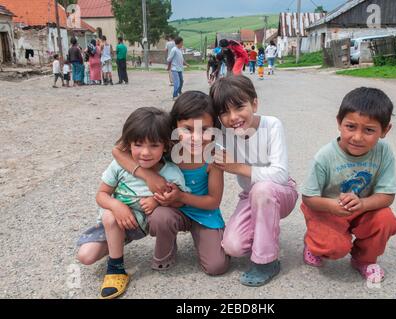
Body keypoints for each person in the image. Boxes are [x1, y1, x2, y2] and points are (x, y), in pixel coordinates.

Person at [76, 107, 191, 299]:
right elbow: (101, 195)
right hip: (114, 223)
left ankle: (116, 269)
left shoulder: (171, 173)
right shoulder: (119, 166)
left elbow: (179, 202)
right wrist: (116, 205)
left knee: (110, 216)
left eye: (154, 145)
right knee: (85, 256)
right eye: (138, 145)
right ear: (128, 144)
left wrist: (157, 200)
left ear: (165, 146)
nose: (145, 153)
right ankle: (117, 245)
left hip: (139, 224)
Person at [112, 91, 230, 277]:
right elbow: (118, 150)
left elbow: (213, 201)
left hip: (203, 214)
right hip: (172, 210)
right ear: (174, 125)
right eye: (188, 129)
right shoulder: (167, 145)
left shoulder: (214, 155)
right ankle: (167, 249)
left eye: (205, 129)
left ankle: (205, 236)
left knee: (217, 267)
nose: (196, 137)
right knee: (160, 218)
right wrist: (148, 177)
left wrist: (181, 196)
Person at [300, 87, 396, 283]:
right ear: (339, 123)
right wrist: (332, 206)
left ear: (385, 130)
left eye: (369, 130)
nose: (357, 137)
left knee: (385, 219)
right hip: (326, 209)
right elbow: (308, 198)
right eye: (351, 127)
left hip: (362, 209)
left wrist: (362, 204)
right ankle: (313, 242)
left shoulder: (384, 152)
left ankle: (364, 259)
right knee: (334, 248)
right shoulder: (325, 156)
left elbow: (388, 195)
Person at [210, 76, 299, 287]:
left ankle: (267, 262)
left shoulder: (272, 125)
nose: (233, 117)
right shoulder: (223, 134)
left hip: (281, 192)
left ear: (255, 103)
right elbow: (202, 150)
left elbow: (280, 174)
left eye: (240, 107)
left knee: (262, 190)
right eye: (224, 112)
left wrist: (237, 167)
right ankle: (265, 232)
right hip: (250, 195)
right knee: (233, 247)